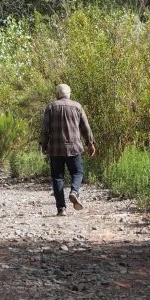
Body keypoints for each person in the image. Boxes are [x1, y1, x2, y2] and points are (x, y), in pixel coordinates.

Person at [40, 84, 96, 216]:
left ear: (57, 94)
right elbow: (85, 128)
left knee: (57, 178)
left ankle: (61, 209)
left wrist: (44, 144)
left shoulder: (50, 107)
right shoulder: (77, 106)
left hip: (55, 149)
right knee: (77, 173)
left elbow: (45, 129)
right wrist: (90, 143)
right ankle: (74, 192)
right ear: (69, 94)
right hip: (74, 147)